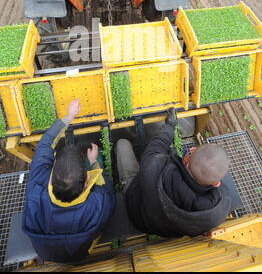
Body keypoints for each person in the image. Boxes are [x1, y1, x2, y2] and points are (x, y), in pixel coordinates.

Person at [22, 98, 116, 263]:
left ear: (50, 180)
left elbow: (44, 145)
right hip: (80, 252)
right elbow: (109, 194)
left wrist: (68, 117)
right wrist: (94, 162)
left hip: (44, 251)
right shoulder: (97, 204)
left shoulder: (37, 184)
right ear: (87, 178)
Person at [115, 109, 231, 238]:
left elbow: (156, 146)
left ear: (188, 155)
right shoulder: (219, 210)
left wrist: (170, 126)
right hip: (163, 230)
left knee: (122, 144)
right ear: (216, 184)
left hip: (137, 213)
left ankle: (124, 185)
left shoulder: (154, 165)